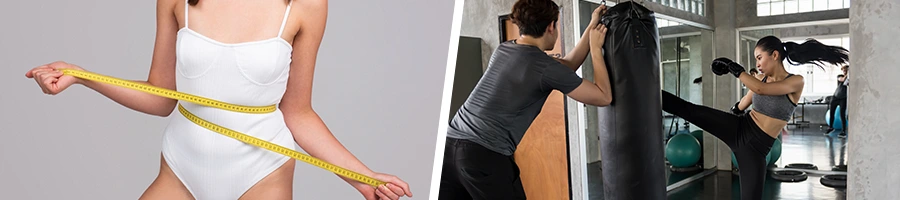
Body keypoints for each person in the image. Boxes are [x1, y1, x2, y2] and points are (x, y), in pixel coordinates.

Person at [23, 0, 411, 199]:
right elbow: (161, 95)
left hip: (262, 174)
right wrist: (82, 76)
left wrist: (361, 177)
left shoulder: (306, 5)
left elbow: (298, 113)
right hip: (180, 167)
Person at [439, 1, 613, 199]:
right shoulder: (544, 67)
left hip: (448, 148)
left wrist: (592, 26)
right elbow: (603, 96)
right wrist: (596, 49)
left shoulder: (504, 49)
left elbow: (567, 66)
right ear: (551, 27)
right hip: (483, 156)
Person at [662, 36, 848, 200]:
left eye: (759, 58)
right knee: (691, 110)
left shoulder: (795, 81)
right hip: (739, 127)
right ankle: (648, 92)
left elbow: (762, 90)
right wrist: (728, 113)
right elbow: (744, 103)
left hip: (756, 149)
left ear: (775, 55)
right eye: (756, 60)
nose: (757, 64)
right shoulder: (760, 79)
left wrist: (735, 70)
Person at [828, 65, 849, 137]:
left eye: (846, 70)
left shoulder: (849, 79)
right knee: (831, 113)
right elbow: (842, 79)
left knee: (842, 115)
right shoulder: (840, 76)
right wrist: (848, 74)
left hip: (843, 98)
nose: (844, 71)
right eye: (844, 70)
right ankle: (830, 127)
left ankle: (843, 131)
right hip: (835, 97)